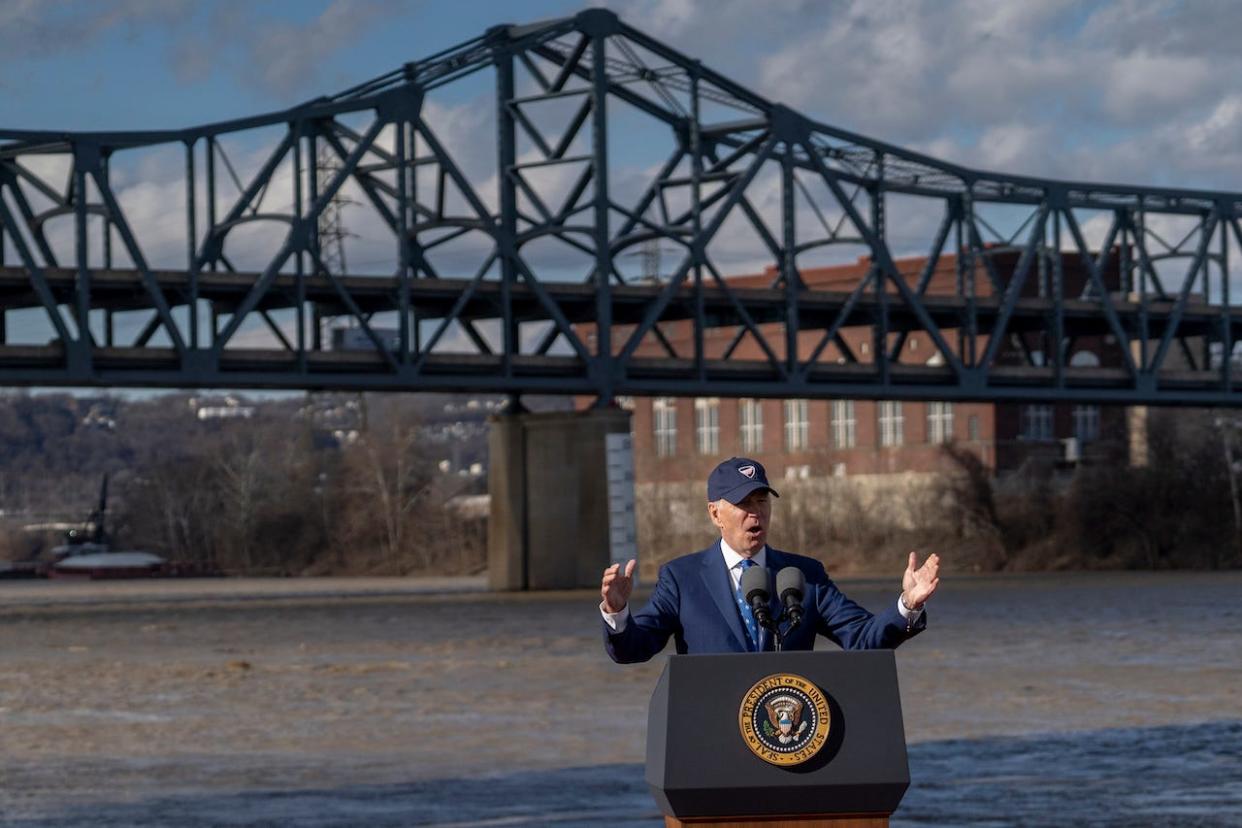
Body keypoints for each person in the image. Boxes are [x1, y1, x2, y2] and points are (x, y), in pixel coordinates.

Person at [600, 457, 940, 662]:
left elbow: (863, 639)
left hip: (789, 742)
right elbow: (635, 648)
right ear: (715, 513)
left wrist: (906, 606)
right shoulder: (681, 578)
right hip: (712, 746)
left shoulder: (804, 575)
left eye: (762, 502)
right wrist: (617, 614)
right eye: (744, 504)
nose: (755, 514)